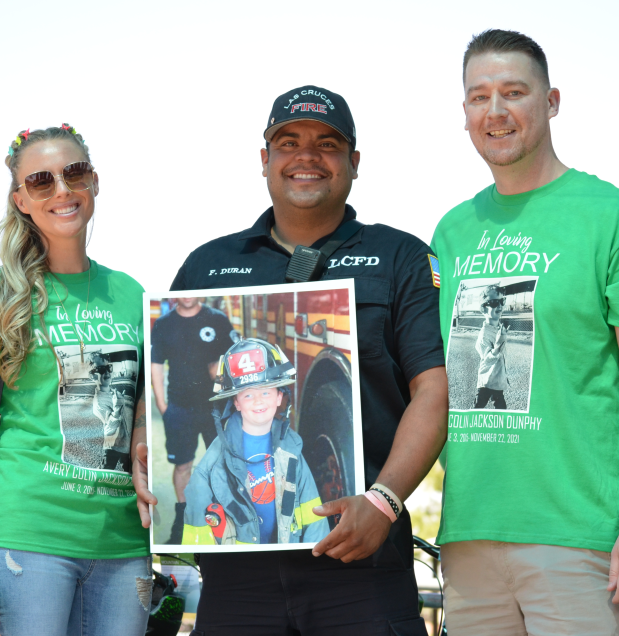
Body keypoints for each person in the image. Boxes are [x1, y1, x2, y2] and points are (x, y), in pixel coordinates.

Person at [133, 85, 449, 635]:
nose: (307, 156)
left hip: (364, 569)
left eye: (328, 144)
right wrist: (144, 447)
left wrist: (384, 501)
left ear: (354, 162)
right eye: (288, 141)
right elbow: (150, 386)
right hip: (235, 584)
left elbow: (436, 391)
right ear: (265, 160)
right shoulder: (207, 264)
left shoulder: (402, 256)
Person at [430, 30, 619, 635]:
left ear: (552, 101)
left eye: (514, 92)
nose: (495, 111)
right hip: (468, 534)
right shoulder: (451, 232)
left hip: (578, 538)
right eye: (478, 96)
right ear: (464, 112)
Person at [0, 125, 151, 636]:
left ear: (95, 183)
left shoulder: (131, 293)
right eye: (41, 181)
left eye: (74, 173)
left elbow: (146, 414)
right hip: (27, 540)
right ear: (21, 200)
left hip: (125, 546)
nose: (62, 190)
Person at [182, 338, 328, 545]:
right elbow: (196, 530)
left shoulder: (291, 449)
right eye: (248, 394)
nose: (259, 401)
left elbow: (313, 515)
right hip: (239, 567)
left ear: (279, 397)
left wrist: (316, 561)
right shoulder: (214, 461)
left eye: (267, 392)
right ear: (236, 402)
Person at [150, 296, 236, 544]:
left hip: (215, 407)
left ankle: (223, 521)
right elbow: (156, 364)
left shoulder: (217, 320)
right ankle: (183, 521)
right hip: (179, 408)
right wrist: (162, 404)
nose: (188, 295)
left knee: (221, 464)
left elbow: (230, 361)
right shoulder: (164, 324)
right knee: (183, 466)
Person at [474, 285, 509, 409]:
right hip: (486, 381)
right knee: (478, 407)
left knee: (501, 409)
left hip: (497, 380)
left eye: (501, 301)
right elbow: (488, 359)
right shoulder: (484, 335)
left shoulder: (499, 327)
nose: (499, 305)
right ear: (483, 309)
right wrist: (499, 343)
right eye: (494, 302)